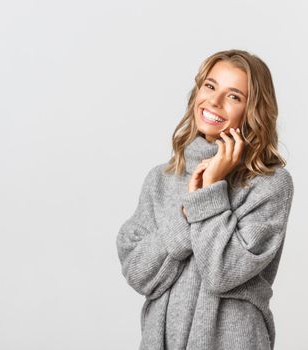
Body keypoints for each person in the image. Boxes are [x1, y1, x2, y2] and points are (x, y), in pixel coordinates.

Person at [116, 49, 294, 350]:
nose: (214, 101)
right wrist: (187, 212)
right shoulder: (161, 179)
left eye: (233, 96)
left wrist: (210, 189)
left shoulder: (269, 185)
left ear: (252, 111)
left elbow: (222, 273)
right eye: (210, 86)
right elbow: (139, 272)